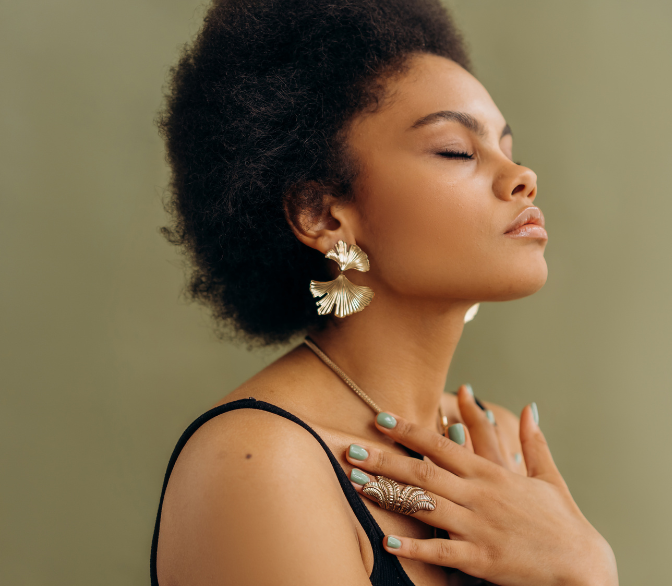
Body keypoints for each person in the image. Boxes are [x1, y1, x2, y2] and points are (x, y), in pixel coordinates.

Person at [151, 1, 617, 584]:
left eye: (508, 147)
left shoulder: (494, 448)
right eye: (457, 151)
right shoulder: (261, 461)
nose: (522, 176)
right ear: (321, 214)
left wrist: (582, 566)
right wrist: (584, 572)